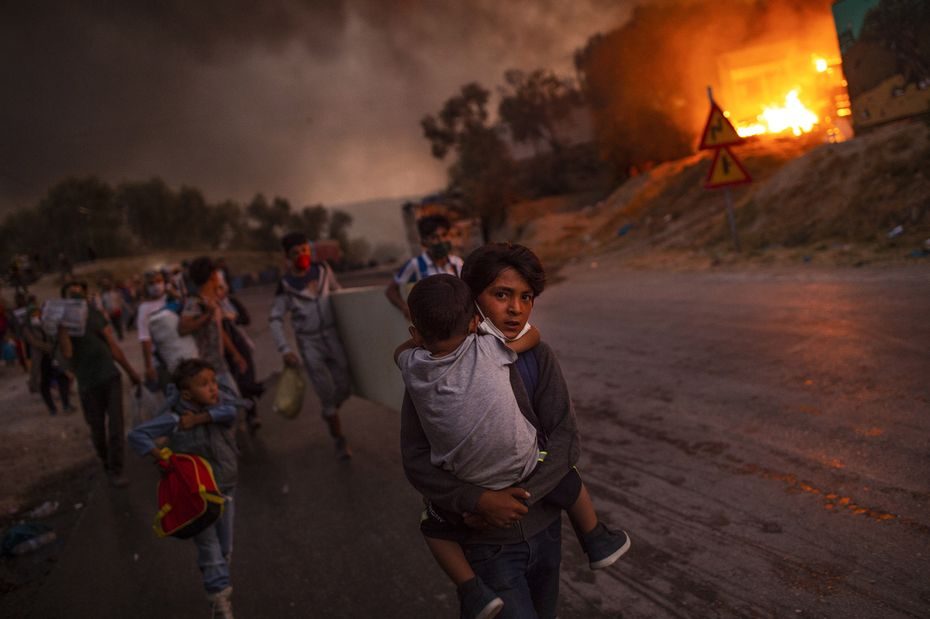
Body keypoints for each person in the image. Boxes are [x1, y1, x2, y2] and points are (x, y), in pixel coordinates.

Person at [396, 274, 630, 619]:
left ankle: (470, 591)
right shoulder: (492, 348)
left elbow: (566, 436)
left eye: (527, 297)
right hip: (493, 533)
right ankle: (595, 537)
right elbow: (415, 460)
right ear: (476, 314)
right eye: (501, 294)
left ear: (416, 333)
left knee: (434, 527)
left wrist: (499, 499)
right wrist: (482, 502)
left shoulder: (417, 371)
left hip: (539, 527)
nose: (516, 310)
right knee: (566, 475)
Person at [128, 358, 239, 619]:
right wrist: (160, 456)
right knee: (210, 548)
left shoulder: (219, 405)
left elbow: (232, 413)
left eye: (213, 381)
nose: (213, 388)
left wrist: (199, 419)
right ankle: (220, 601)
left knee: (225, 548)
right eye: (204, 384)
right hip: (197, 494)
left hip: (226, 486)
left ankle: (218, 581)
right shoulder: (174, 418)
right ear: (187, 393)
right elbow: (137, 435)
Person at [269, 232, 352, 459]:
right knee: (324, 389)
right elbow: (275, 319)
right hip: (309, 341)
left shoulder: (323, 270)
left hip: (332, 335)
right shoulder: (286, 285)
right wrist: (284, 349)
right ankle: (339, 439)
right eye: (295, 253)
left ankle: (330, 410)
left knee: (345, 383)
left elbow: (338, 293)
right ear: (287, 257)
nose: (302, 255)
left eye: (304, 250)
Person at [57, 281, 142, 487]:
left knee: (116, 425)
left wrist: (130, 371)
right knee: (97, 429)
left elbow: (112, 345)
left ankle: (116, 469)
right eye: (72, 294)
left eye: (79, 293)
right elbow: (67, 354)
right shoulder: (61, 325)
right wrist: (63, 330)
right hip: (87, 383)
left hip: (110, 376)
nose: (76, 297)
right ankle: (106, 461)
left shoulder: (94, 314)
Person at [179, 257, 248, 395]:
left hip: (219, 363)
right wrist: (207, 315)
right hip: (204, 366)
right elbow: (183, 328)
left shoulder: (213, 301)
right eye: (217, 273)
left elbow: (218, 329)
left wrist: (235, 354)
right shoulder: (195, 302)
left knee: (232, 401)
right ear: (212, 276)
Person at [385, 214, 464, 320]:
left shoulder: (457, 263)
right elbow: (391, 290)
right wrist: (405, 308)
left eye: (444, 235)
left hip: (458, 321)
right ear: (424, 241)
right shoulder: (416, 264)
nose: (441, 241)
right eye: (434, 237)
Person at [22, 300, 73, 415]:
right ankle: (52, 408)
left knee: (63, 378)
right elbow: (34, 342)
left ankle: (66, 404)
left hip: (53, 357)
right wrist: (48, 347)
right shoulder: (27, 329)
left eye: (37, 313)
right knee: (44, 384)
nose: (36, 316)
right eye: (33, 315)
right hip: (40, 360)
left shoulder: (45, 323)